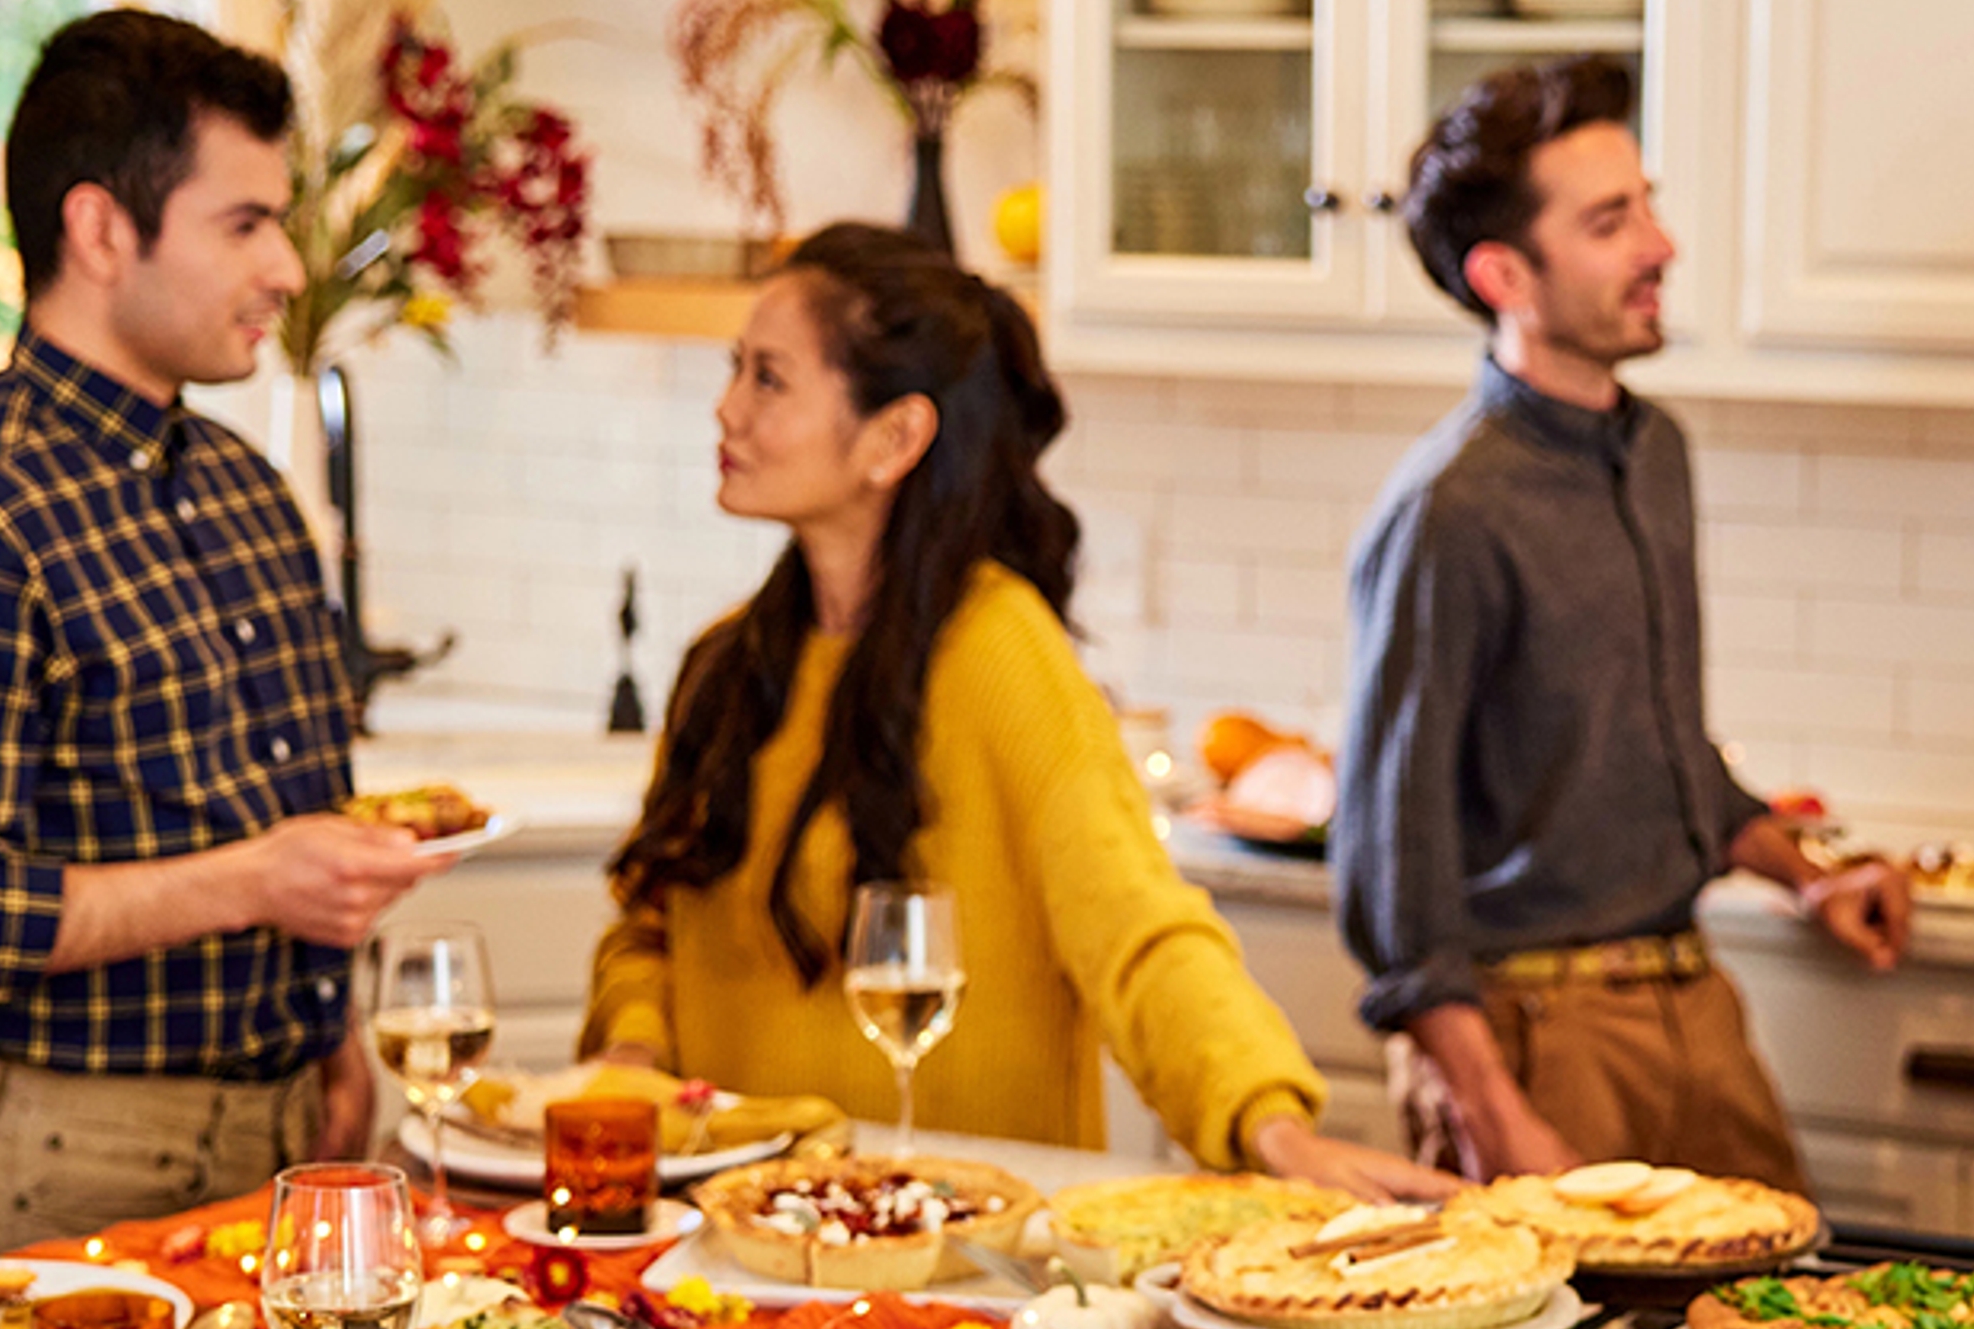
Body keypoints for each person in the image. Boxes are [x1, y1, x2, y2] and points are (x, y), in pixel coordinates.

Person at [582, 224, 1446, 1201]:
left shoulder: (1000, 650)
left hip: (956, 1258)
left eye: (769, 379)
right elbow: (651, 925)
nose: (726, 410)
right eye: (736, 370)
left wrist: (1271, 1126)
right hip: (727, 1234)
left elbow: (1137, 928)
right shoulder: (723, 667)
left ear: (896, 437)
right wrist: (632, 1054)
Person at [0, 10, 442, 1252]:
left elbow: (285, 806)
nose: (285, 269)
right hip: (72, 1158)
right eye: (247, 224)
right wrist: (247, 885)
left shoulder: (244, 490)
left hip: (297, 1126)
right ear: (103, 229)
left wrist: (332, 1044)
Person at [1334, 57, 1912, 1190]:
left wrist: (1806, 876)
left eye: (1647, 204)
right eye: (1611, 222)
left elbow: (1653, 748)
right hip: (1536, 1037)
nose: (1661, 246)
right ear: (1506, 274)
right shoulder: (1447, 511)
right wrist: (1496, 1115)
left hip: (1693, 1006)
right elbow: (1389, 876)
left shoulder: (1656, 456)